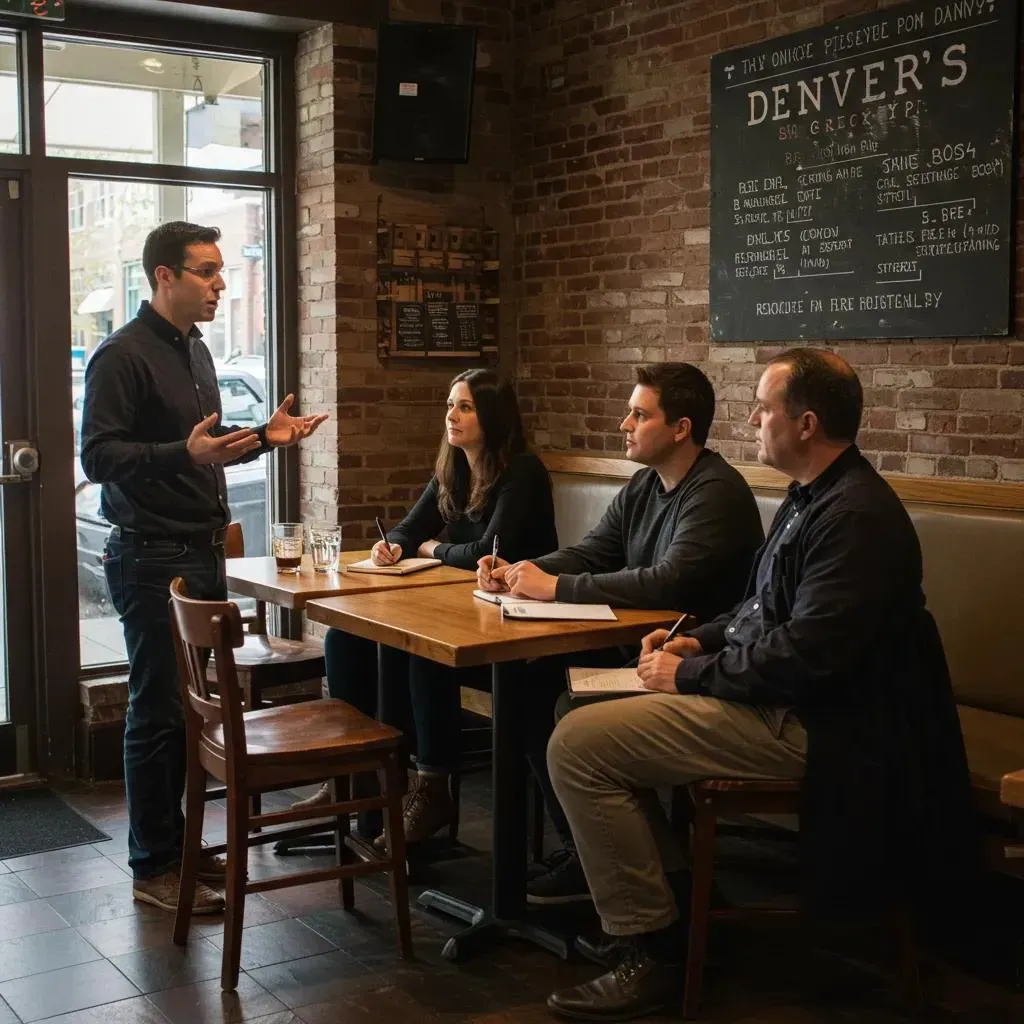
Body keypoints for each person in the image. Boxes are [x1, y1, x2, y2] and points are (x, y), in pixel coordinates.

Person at [543, 349, 975, 1022]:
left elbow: (804, 656)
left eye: (764, 407)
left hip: (829, 728)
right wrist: (699, 639)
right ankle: (678, 917)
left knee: (578, 747)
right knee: (582, 705)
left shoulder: (854, 517)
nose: (751, 418)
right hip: (788, 701)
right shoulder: (814, 498)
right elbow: (759, 612)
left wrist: (686, 674)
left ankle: (656, 951)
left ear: (805, 423)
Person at [80, 222, 327, 915]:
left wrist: (263, 443)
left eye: (220, 272)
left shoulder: (194, 351)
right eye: (207, 272)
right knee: (157, 712)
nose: (222, 284)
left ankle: (182, 851)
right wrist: (180, 455)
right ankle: (154, 863)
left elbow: (201, 452)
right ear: (164, 277)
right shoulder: (120, 355)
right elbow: (99, 457)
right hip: (151, 557)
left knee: (187, 715)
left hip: (199, 549)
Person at [476, 363, 765, 905]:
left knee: (554, 697)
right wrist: (520, 569)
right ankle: (592, 851)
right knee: (527, 680)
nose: (623, 423)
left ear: (680, 428)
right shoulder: (645, 484)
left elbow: (668, 581)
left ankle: (614, 863)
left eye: (639, 413)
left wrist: (556, 588)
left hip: (692, 664)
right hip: (642, 651)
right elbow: (594, 550)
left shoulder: (716, 492)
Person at [293, 368, 559, 846]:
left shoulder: (522, 473)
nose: (451, 416)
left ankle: (432, 787)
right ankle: (360, 775)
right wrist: (391, 547)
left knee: (417, 649)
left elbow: (488, 551)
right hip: (459, 613)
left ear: (493, 417)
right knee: (347, 637)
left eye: (465, 407)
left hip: (513, 633)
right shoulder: (452, 469)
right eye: (450, 405)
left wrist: (431, 550)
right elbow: (406, 529)